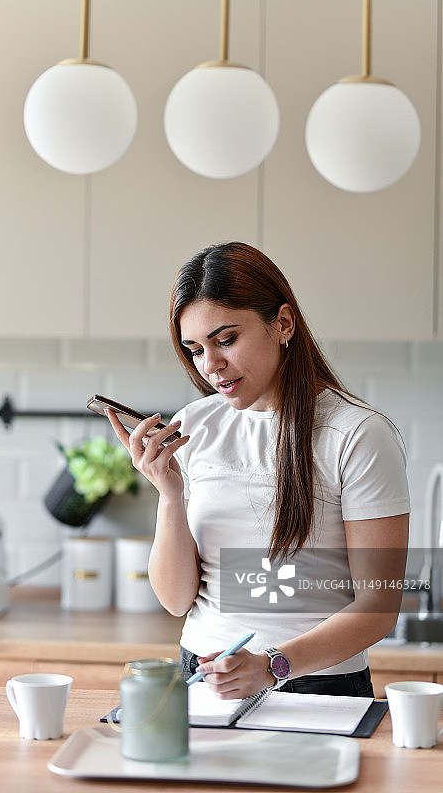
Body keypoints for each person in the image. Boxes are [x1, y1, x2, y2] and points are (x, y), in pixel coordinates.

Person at [106, 241, 409, 700]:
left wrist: (272, 666)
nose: (210, 365)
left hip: (318, 685)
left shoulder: (357, 434)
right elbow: (175, 601)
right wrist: (168, 495)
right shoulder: (194, 426)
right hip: (203, 677)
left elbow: (380, 606)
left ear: (283, 324)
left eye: (226, 340)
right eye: (195, 349)